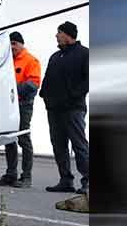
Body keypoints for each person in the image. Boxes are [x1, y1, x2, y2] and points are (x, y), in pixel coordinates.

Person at [39, 21, 90, 194]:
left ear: (67, 35)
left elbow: (88, 81)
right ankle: (66, 180)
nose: (56, 36)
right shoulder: (55, 56)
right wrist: (44, 96)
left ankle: (88, 181)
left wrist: (73, 96)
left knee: (79, 145)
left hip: (74, 108)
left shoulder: (85, 54)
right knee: (58, 145)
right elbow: (47, 79)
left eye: (58, 32)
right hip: (54, 109)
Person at [0, 31, 40, 188]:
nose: (12, 47)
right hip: (7, 105)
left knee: (23, 139)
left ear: (21, 44)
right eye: (9, 44)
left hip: (23, 105)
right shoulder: (5, 62)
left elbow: (33, 84)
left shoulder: (31, 60)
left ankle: (26, 177)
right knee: (8, 139)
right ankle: (11, 174)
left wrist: (12, 89)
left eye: (14, 43)